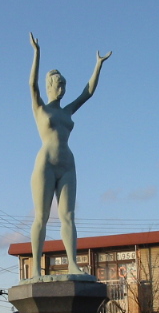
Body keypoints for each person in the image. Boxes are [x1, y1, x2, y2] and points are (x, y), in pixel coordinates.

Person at [29, 33, 111, 277]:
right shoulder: (40, 108)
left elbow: (88, 93)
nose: (62, 89)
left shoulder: (68, 112)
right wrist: (37, 53)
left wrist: (98, 65)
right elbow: (31, 85)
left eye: (64, 85)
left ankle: (73, 263)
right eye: (59, 85)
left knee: (68, 216)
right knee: (41, 217)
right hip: (45, 164)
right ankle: (34, 268)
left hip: (68, 164)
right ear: (50, 87)